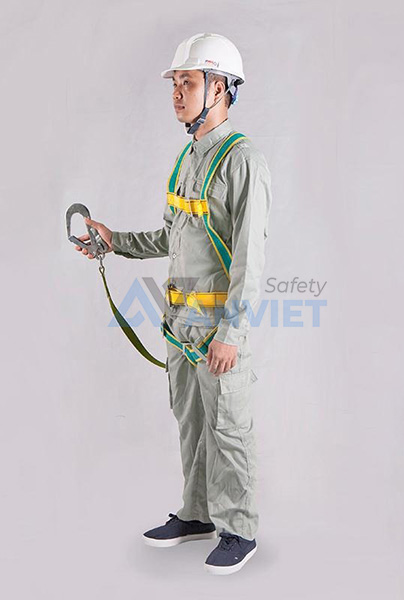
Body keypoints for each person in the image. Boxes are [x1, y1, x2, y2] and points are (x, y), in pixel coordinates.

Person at [74, 32, 272, 575]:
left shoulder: (243, 162)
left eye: (188, 81)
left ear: (220, 88)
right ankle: (198, 513)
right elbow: (173, 237)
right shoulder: (187, 159)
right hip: (180, 325)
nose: (177, 92)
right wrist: (114, 241)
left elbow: (249, 262)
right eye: (176, 83)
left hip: (217, 327)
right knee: (191, 422)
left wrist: (231, 333)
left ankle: (240, 529)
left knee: (228, 428)